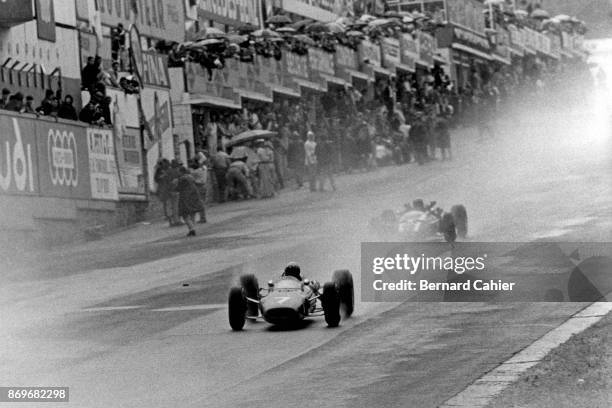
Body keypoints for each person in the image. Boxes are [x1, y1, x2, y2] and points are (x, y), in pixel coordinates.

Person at [176, 166, 204, 237]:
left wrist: (173, 186)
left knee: (184, 214)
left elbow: (179, 188)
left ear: (181, 171)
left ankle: (191, 229)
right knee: (192, 213)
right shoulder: (191, 177)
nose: (177, 172)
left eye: (178, 171)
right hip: (194, 195)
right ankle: (192, 228)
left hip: (185, 197)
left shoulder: (182, 179)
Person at [189, 159, 208, 223]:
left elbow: (190, 175)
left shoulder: (195, 172)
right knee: (202, 202)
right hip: (204, 186)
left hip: (198, 187)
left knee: (199, 203)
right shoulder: (203, 170)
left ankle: (202, 218)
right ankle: (203, 217)